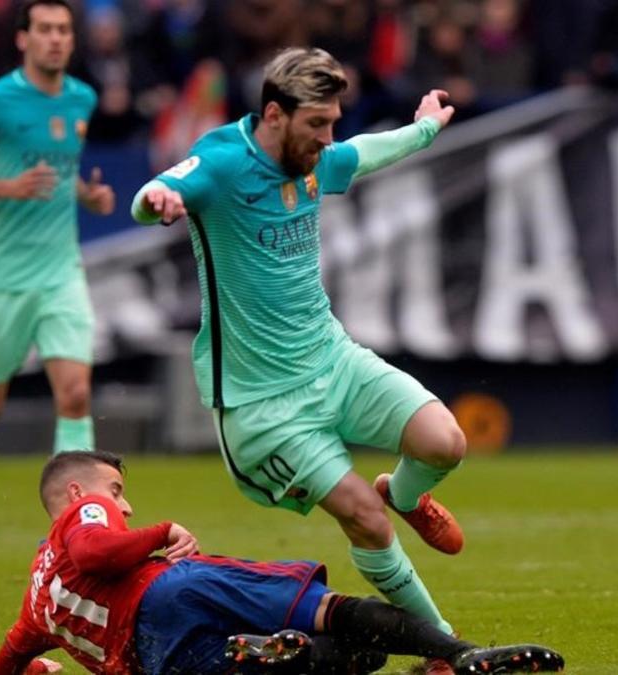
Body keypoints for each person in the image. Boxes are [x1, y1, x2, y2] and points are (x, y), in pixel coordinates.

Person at [130, 47, 467, 672]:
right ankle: (442, 650)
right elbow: (162, 187)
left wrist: (422, 130)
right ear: (275, 115)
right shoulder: (224, 163)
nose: (327, 138)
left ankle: (409, 494)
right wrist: (157, 202)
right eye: (317, 124)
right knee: (364, 519)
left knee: (445, 441)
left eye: (333, 121)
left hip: (332, 360)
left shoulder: (314, 158)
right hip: (264, 407)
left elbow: (360, 154)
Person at [0, 450, 565, 674]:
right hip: (169, 593)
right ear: (74, 495)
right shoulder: (81, 512)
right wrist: (162, 530)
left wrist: (37, 671)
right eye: (115, 490)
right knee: (327, 610)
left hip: (158, 661)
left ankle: (278, 655)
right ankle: (459, 655)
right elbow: (96, 549)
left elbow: (4, 664)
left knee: (347, 660)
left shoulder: (37, 598)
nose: (124, 503)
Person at [0, 0, 115, 575]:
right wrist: (9, 187)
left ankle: (74, 532)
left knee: (76, 393)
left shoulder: (82, 99)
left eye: (64, 30)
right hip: (2, 278)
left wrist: (86, 195)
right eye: (46, 30)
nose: (57, 39)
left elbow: (60, 174)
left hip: (61, 271)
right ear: (24, 39)